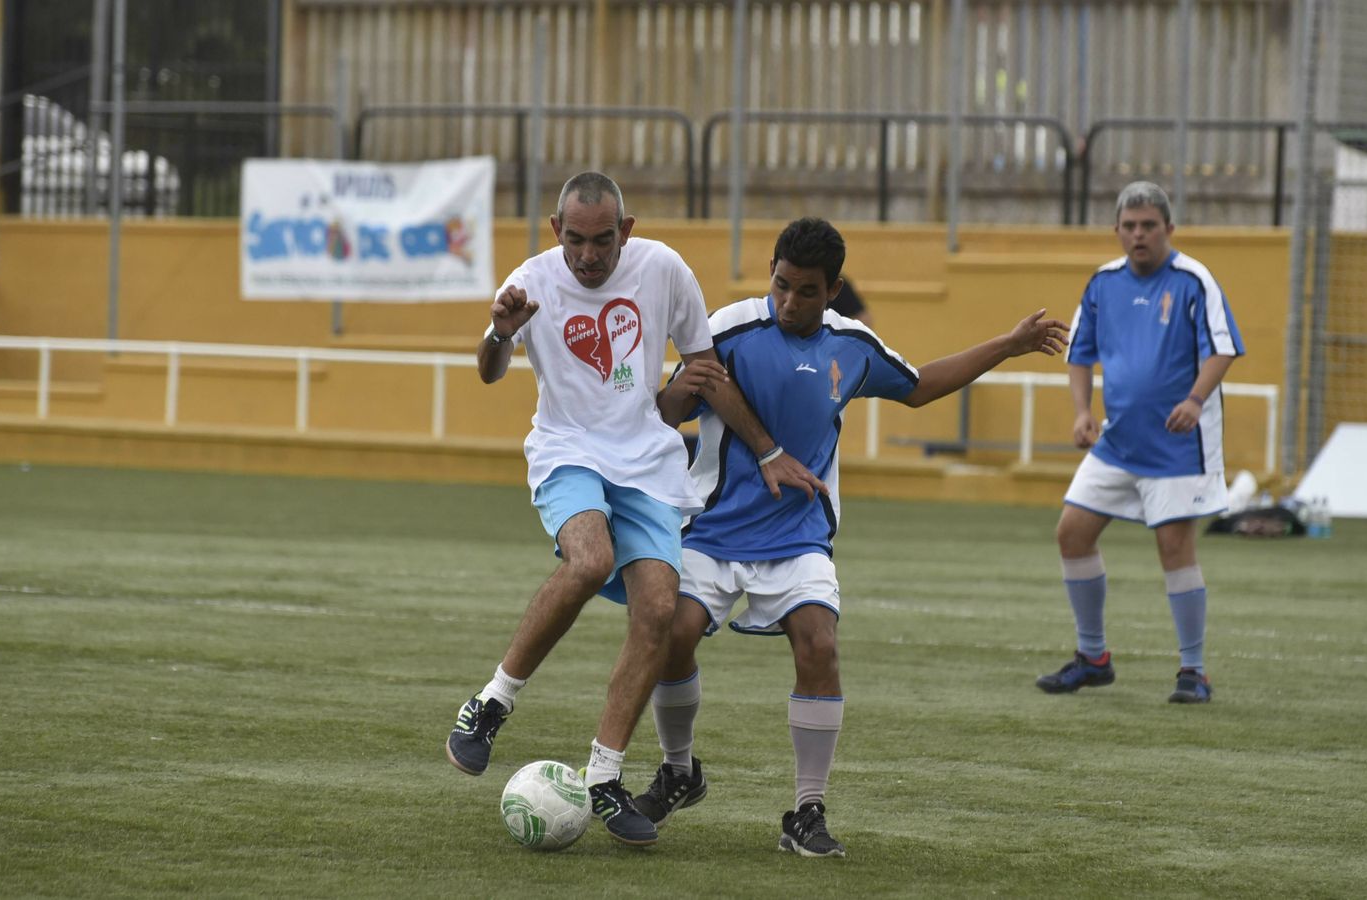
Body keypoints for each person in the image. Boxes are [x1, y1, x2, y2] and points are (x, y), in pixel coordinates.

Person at [636, 217, 1069, 857]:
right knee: (672, 635)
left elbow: (919, 387)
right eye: (780, 285)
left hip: (799, 533)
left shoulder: (853, 346)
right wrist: (676, 391)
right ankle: (678, 771)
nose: (788, 301)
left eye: (805, 291)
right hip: (714, 528)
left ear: (833, 290)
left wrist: (1006, 345)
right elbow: (668, 413)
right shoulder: (726, 329)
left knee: (819, 643)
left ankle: (807, 812)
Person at [444, 172, 825, 847]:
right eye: (574, 240)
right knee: (590, 560)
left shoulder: (666, 271)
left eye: (601, 240)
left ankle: (603, 776)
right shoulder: (530, 282)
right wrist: (500, 335)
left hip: (647, 459)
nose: (588, 256)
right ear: (555, 230)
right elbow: (488, 370)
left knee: (659, 610)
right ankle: (491, 703)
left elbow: (703, 374)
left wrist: (765, 451)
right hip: (567, 450)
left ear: (627, 230)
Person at [1035, 181, 1244, 704]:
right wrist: (1083, 413)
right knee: (1071, 533)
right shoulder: (1102, 283)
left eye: (1148, 225)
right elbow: (1079, 353)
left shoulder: (1194, 281)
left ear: (1169, 229)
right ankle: (1093, 657)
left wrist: (1195, 401)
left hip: (1179, 447)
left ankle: (1193, 670)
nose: (1138, 235)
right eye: (1129, 226)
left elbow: (1223, 349)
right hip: (1117, 442)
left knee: (1174, 547)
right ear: (1117, 231)